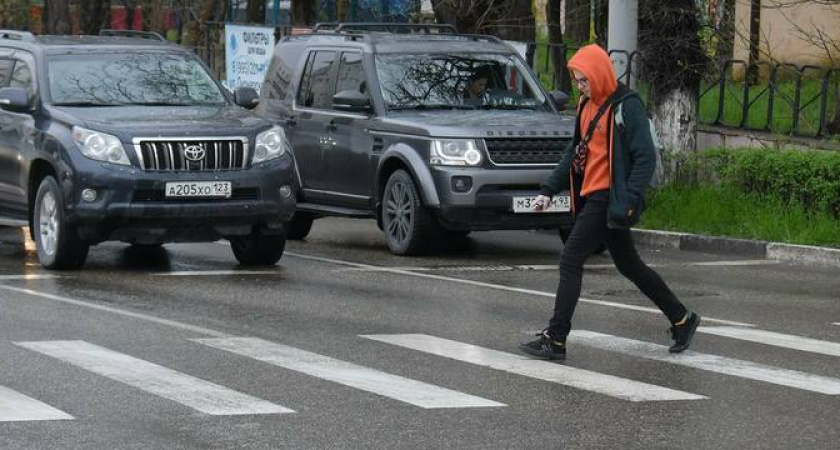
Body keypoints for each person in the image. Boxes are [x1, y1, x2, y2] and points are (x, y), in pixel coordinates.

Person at [518, 44, 700, 361]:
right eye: (576, 80)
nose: (579, 86)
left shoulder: (626, 106)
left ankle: (556, 339)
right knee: (629, 264)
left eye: (584, 80)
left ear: (599, 74)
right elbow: (573, 152)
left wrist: (629, 199)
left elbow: (645, 157)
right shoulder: (586, 105)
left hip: (608, 197)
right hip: (593, 195)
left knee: (570, 259)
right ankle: (681, 318)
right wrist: (548, 190)